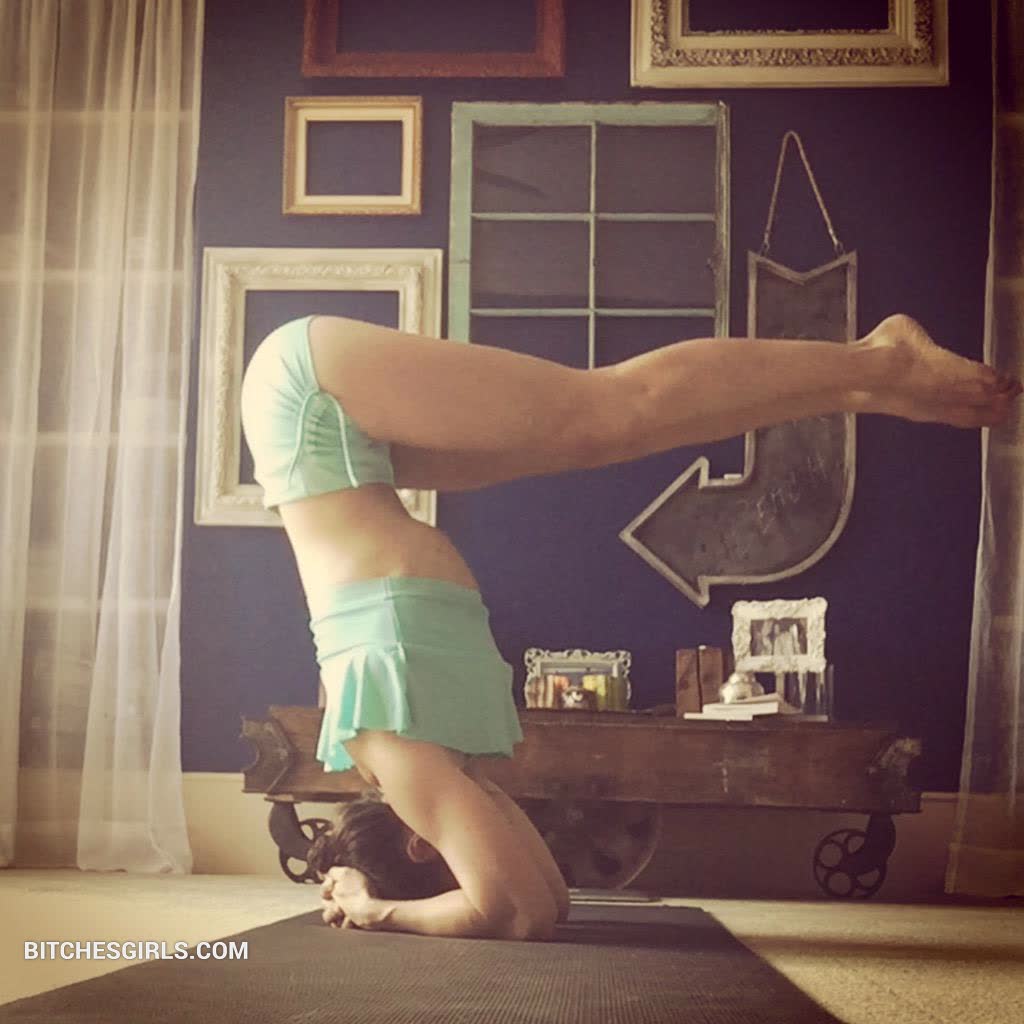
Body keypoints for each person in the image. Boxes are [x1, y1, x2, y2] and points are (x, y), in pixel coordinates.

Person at [240, 312, 1020, 942]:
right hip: (341, 477)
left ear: (421, 845)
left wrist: (378, 910)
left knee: (610, 409)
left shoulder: (399, 753)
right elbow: (545, 898)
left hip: (300, 393)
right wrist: (375, 891)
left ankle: (880, 363)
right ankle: (860, 383)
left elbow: (508, 912)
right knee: (602, 430)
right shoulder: (436, 762)